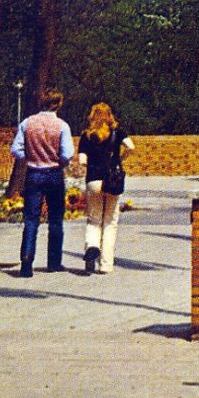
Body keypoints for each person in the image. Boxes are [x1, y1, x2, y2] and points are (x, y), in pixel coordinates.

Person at [11, 88, 74, 277]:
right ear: (58, 104)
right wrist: (58, 161)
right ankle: (54, 262)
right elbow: (67, 153)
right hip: (54, 173)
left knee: (31, 219)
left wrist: (30, 156)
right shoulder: (62, 125)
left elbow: (16, 149)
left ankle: (27, 261)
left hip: (34, 173)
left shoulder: (27, 123)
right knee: (55, 219)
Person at [76, 102, 134, 274]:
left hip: (93, 180)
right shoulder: (118, 133)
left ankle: (92, 246)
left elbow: (82, 160)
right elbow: (131, 146)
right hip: (112, 180)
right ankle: (106, 264)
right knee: (110, 222)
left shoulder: (86, 136)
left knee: (94, 220)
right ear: (110, 116)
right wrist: (120, 159)